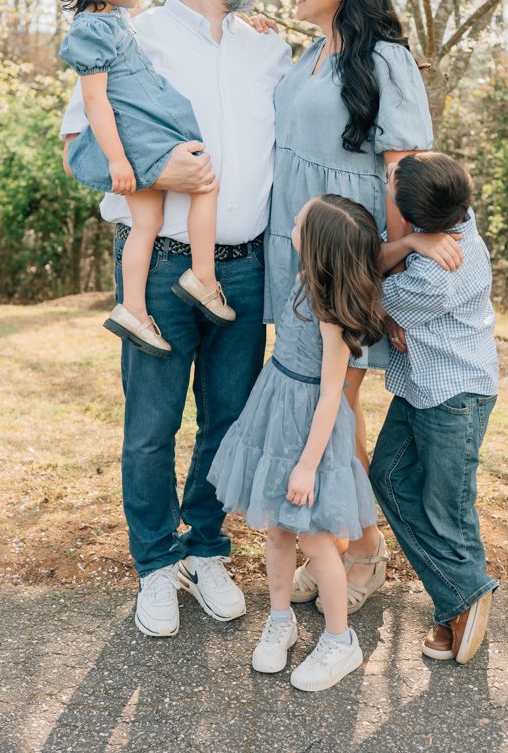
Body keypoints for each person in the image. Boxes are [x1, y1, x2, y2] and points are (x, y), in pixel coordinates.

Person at [60, 0, 292, 637]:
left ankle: (207, 550)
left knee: (227, 423)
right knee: (151, 430)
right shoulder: (134, 36)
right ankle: (157, 566)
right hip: (158, 269)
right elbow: (78, 144)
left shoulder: (271, 49)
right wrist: (159, 170)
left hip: (246, 270)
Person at [264, 0, 461, 611]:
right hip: (292, 253)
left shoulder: (386, 59)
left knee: (337, 405)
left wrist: (398, 277)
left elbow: (401, 172)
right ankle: (340, 536)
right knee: (310, 402)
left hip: (349, 257)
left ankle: (361, 543)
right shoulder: (310, 55)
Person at [209, 195, 386, 691]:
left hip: (313, 433)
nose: (292, 224)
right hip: (276, 410)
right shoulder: (305, 278)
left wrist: (307, 466)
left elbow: (332, 395)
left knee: (316, 537)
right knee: (278, 530)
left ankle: (338, 640)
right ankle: (281, 618)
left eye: (300, 222)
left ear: (320, 247)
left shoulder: (331, 313)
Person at [59, 0, 234, 359]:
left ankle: (132, 308)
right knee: (205, 182)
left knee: (147, 223)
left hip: (140, 139)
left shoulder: (112, 19)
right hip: (139, 142)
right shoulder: (92, 30)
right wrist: (118, 161)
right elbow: (95, 103)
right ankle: (203, 278)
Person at [370, 152, 499, 665]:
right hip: (421, 386)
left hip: (454, 397)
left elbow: (360, 284)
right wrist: (409, 243)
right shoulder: (457, 221)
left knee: (448, 510)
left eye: (390, 182)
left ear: (414, 216)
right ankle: (461, 593)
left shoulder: (437, 273)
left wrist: (388, 300)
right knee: (389, 476)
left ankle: (461, 601)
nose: (388, 178)